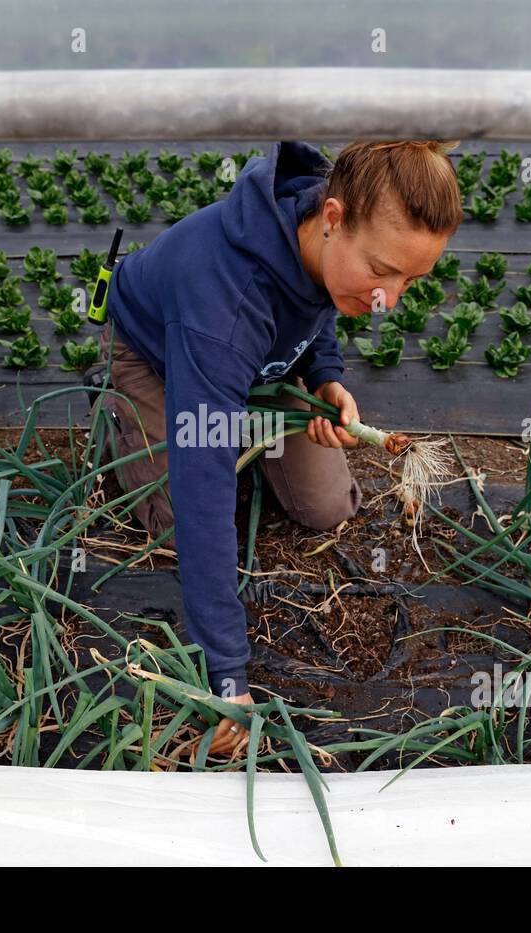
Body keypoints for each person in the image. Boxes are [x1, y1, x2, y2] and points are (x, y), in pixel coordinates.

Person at [91, 140, 464, 757]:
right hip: (155, 355)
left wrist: (325, 376)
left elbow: (315, 309)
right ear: (334, 218)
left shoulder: (324, 240)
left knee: (328, 506)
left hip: (256, 361)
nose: (386, 301)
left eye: (411, 279)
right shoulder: (224, 306)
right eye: (380, 271)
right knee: (179, 519)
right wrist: (228, 677)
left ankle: (237, 416)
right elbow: (204, 486)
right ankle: (124, 417)